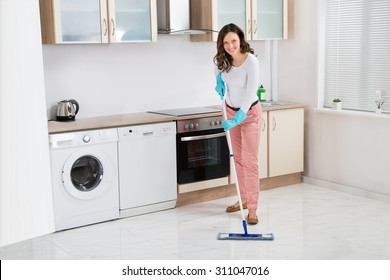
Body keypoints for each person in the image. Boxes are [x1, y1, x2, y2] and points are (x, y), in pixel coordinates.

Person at [213, 23, 262, 225]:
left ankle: (252, 208)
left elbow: (251, 93)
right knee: (238, 160)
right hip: (230, 112)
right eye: (225, 42)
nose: (230, 46)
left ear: (240, 39)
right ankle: (242, 198)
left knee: (250, 161)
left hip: (249, 115)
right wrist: (219, 83)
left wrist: (239, 117)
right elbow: (219, 80)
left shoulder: (251, 61)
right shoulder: (221, 61)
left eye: (233, 40)